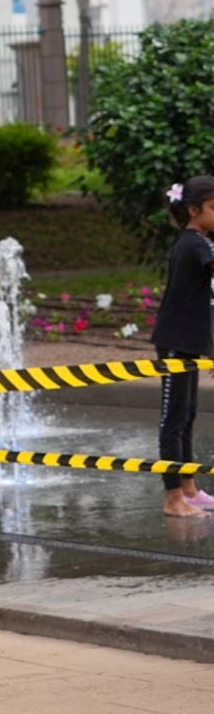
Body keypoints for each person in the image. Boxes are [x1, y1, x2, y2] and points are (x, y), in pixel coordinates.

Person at [153, 176, 214, 518]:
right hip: (175, 342)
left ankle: (189, 488)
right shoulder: (193, 244)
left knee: (187, 415)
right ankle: (173, 497)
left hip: (188, 341)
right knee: (173, 419)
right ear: (193, 211)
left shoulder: (201, 242)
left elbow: (206, 302)